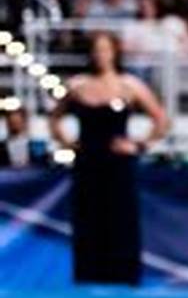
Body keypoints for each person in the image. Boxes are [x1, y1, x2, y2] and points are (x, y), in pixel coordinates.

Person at [49, 32, 169, 284]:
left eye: (106, 49)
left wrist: (139, 145)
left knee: (121, 219)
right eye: (96, 49)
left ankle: (123, 274)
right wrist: (67, 143)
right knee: (87, 219)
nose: (101, 55)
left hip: (119, 164)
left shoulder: (129, 84)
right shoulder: (78, 85)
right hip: (87, 162)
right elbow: (54, 118)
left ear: (114, 52)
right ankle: (89, 274)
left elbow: (161, 120)